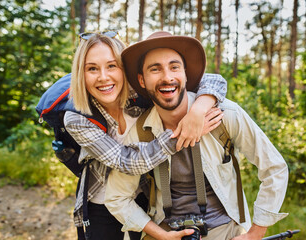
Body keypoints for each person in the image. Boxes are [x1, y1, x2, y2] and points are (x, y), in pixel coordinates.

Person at [105, 31, 289, 240]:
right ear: (142, 80)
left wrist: (255, 233)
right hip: (166, 233)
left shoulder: (224, 115)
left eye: (174, 67)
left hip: (226, 232)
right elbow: (117, 197)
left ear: (185, 74)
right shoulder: (139, 132)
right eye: (155, 69)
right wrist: (159, 235)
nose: (167, 77)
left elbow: (274, 168)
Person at [64, 31, 227, 240]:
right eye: (92, 68)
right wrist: (183, 134)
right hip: (101, 201)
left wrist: (197, 111)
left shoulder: (142, 91)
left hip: (144, 193)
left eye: (112, 66)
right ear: (81, 73)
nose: (103, 77)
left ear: (125, 69)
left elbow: (213, 80)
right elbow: (127, 162)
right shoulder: (77, 117)